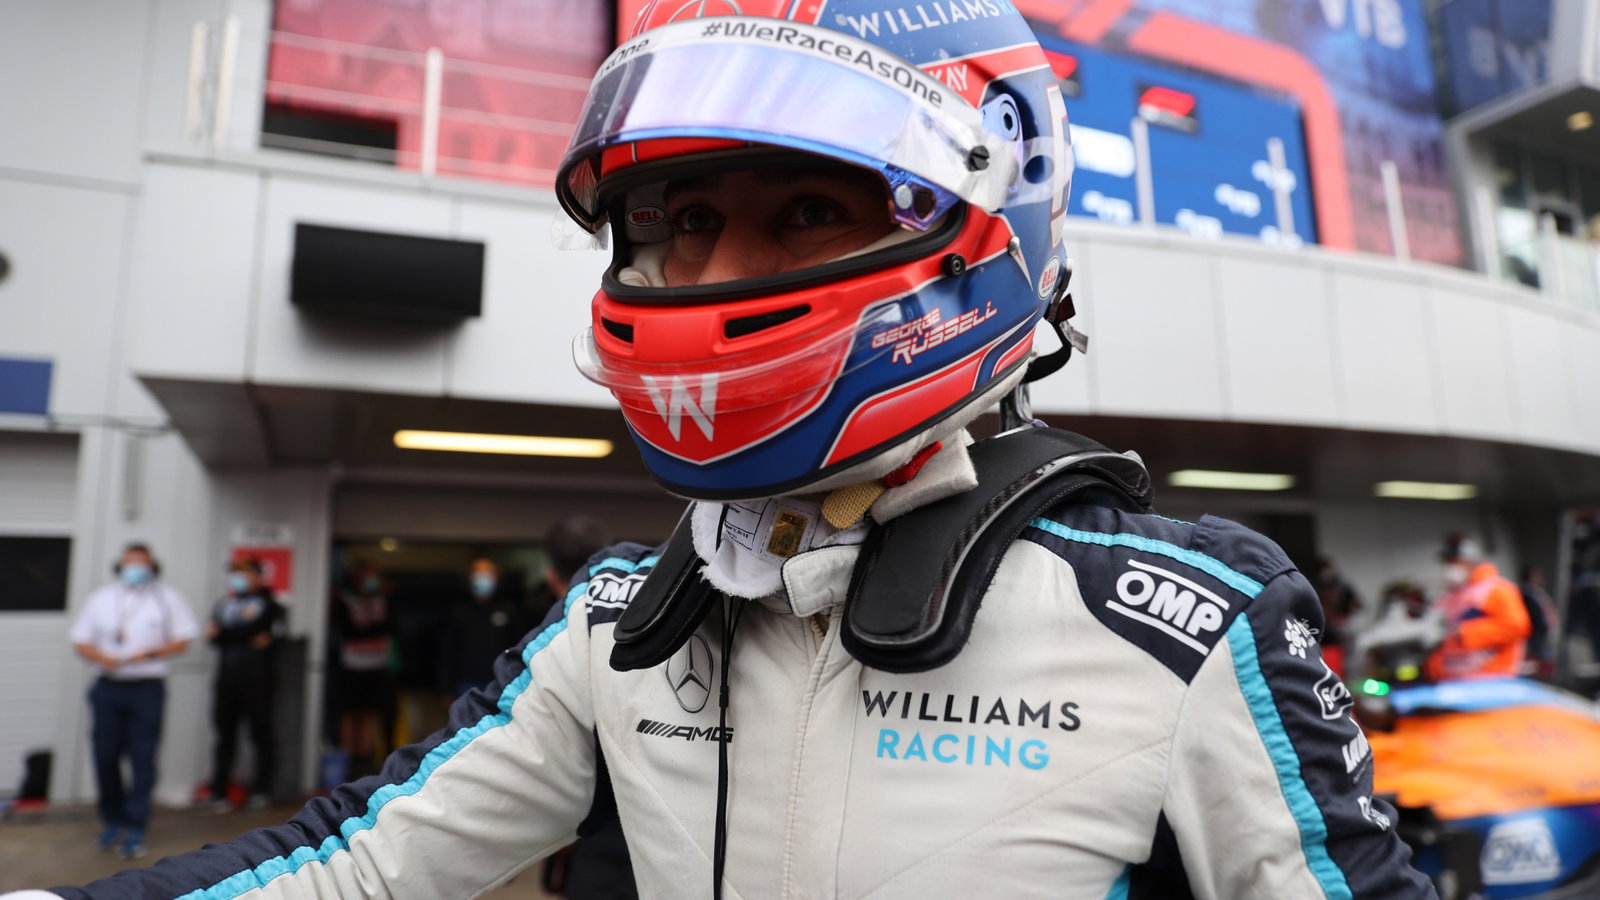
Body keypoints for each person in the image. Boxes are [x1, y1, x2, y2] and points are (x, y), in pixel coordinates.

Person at [17, 4, 1434, 897]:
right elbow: (360, 869)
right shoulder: (617, 624)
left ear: (990, 230)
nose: (718, 274)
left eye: (807, 211)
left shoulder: (1183, 627)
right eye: (687, 221)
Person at [66, 543, 199, 860]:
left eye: (142, 563)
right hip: (108, 686)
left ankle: (136, 824)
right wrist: (102, 657)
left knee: (143, 756)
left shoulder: (167, 598)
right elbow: (81, 642)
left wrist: (149, 654)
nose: (135, 569)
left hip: (146, 688)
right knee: (105, 755)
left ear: (153, 567)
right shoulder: (101, 599)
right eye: (129, 563)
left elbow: (182, 640)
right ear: (119, 566)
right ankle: (112, 820)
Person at [199, 556, 288, 813]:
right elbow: (216, 637)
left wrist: (228, 634)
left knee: (261, 735)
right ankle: (219, 793)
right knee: (224, 737)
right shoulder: (224, 604)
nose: (240, 578)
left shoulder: (271, 605)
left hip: (258, 681)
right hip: (227, 680)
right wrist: (245, 634)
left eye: (246, 573)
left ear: (259, 577)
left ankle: (262, 791)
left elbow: (273, 637)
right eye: (236, 573)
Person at [1427, 532, 1531, 681]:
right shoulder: (1449, 596)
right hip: (1452, 682)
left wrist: (1463, 633)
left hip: (1491, 680)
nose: (1449, 567)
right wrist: (1434, 669)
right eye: (1447, 562)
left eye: (1454, 561)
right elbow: (1441, 642)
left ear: (1471, 561)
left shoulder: (1496, 589)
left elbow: (1516, 626)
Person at [331, 561, 395, 776]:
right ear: (357, 578)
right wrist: (370, 629)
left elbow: (391, 628)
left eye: (375, 577)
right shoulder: (346, 601)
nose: (371, 581)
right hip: (350, 667)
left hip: (376, 667)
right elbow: (349, 631)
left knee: (369, 713)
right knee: (349, 714)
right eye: (367, 576)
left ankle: (364, 759)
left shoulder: (383, 601)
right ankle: (347, 761)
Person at [438, 557, 529, 700]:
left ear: (497, 578)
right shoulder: (458, 611)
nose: (483, 578)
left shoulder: (509, 610)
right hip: (465, 685)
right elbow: (447, 651)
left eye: (488, 573)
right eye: (478, 573)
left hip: (500, 684)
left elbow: (518, 648)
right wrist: (446, 688)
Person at [1313, 556, 1363, 676]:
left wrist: (1344, 613)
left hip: (1344, 624)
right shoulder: (1316, 586)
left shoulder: (1343, 585)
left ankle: (1351, 674)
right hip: (1327, 627)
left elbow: (1358, 605)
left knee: (1352, 652)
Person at [1515, 564, 1559, 680]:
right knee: (1538, 660)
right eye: (1536, 575)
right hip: (1534, 632)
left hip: (1542, 632)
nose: (1539, 578)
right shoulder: (1525, 594)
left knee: (1545, 659)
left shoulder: (1538, 593)